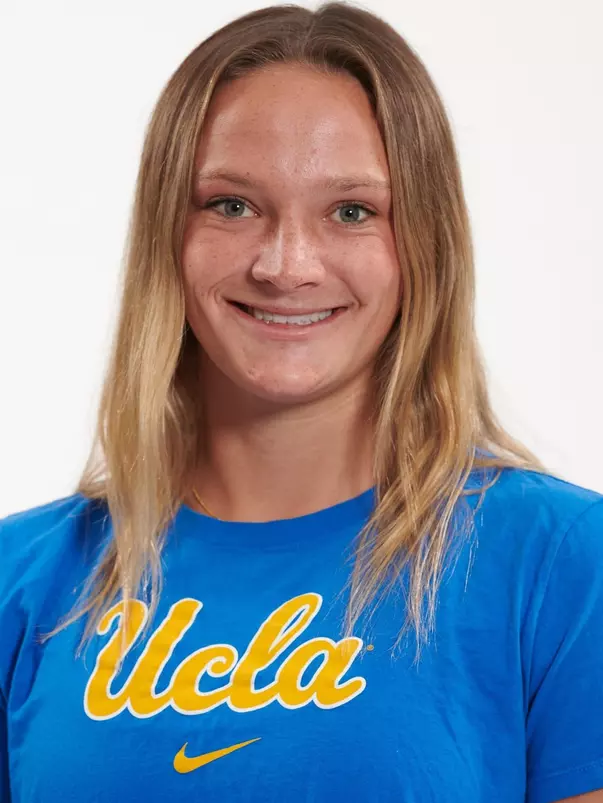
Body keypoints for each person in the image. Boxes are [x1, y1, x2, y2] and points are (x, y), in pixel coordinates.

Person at [1, 2, 602, 801]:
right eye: (231, 204)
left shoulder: (560, 561)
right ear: (165, 234)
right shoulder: (22, 577)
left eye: (352, 212)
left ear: (424, 244)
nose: (286, 265)